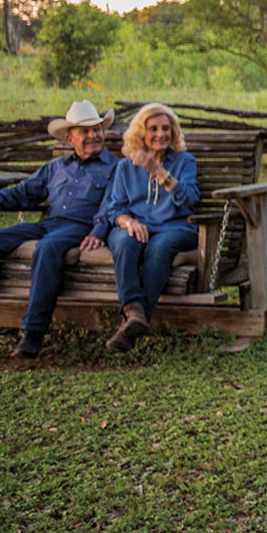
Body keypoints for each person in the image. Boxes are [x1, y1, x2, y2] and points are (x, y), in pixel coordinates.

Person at [0, 100, 117, 358]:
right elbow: (23, 194)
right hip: (49, 224)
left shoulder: (115, 168)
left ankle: (32, 333)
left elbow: (112, 204)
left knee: (47, 248)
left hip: (81, 227)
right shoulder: (56, 168)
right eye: (86, 131)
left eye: (97, 129)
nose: (94, 135)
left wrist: (99, 230)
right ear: (70, 138)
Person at [99, 102, 199, 353]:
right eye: (153, 129)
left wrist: (159, 171)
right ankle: (134, 310)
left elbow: (188, 200)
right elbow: (115, 209)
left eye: (166, 128)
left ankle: (129, 327)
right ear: (140, 134)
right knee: (124, 241)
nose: (160, 134)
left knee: (160, 246)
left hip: (175, 227)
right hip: (136, 225)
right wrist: (129, 222)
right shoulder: (125, 166)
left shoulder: (184, 161)